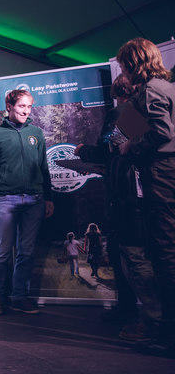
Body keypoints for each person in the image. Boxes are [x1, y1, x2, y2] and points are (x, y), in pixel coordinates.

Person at [76, 74, 161, 340]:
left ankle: (151, 320)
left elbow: (108, 149)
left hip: (128, 198)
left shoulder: (124, 112)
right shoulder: (151, 112)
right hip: (150, 197)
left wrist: (83, 150)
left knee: (131, 255)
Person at [116, 37, 175, 352]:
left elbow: (162, 132)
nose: (122, 73)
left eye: (123, 66)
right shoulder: (169, 88)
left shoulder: (151, 91)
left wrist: (130, 145)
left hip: (162, 176)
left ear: (131, 64)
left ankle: (168, 333)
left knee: (165, 254)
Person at [0, 89, 54, 315]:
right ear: (9, 107)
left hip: (35, 200)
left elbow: (44, 167)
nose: (26, 111)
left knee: (26, 252)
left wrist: (48, 197)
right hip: (6, 199)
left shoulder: (36, 133)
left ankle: (19, 297)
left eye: (29, 107)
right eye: (22, 106)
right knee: (2, 251)